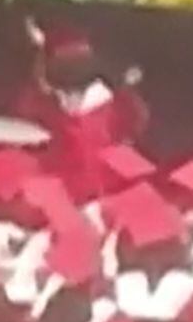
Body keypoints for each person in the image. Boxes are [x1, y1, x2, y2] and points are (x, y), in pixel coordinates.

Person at [14, 22, 149, 202]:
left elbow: (133, 124)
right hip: (64, 190)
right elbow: (32, 100)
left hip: (100, 189)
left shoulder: (113, 103)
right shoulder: (51, 103)